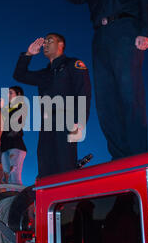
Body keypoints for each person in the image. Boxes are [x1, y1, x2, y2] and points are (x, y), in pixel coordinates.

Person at [66, 0, 148, 160]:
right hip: (101, 38)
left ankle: (138, 156)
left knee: (129, 94)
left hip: (126, 33)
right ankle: (119, 157)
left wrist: (146, 31)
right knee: (106, 101)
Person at [13, 33, 91, 178]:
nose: (45, 44)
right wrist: (28, 54)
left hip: (67, 122)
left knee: (65, 167)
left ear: (61, 45)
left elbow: (84, 92)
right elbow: (19, 75)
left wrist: (80, 123)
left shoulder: (73, 65)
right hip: (46, 124)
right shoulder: (45, 73)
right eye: (44, 42)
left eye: (50, 41)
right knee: (45, 167)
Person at [0, 86, 27, 185]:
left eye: (11, 93)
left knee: (14, 177)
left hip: (16, 146)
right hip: (5, 146)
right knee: (7, 179)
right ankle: (10, 199)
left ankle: (21, 199)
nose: (8, 95)